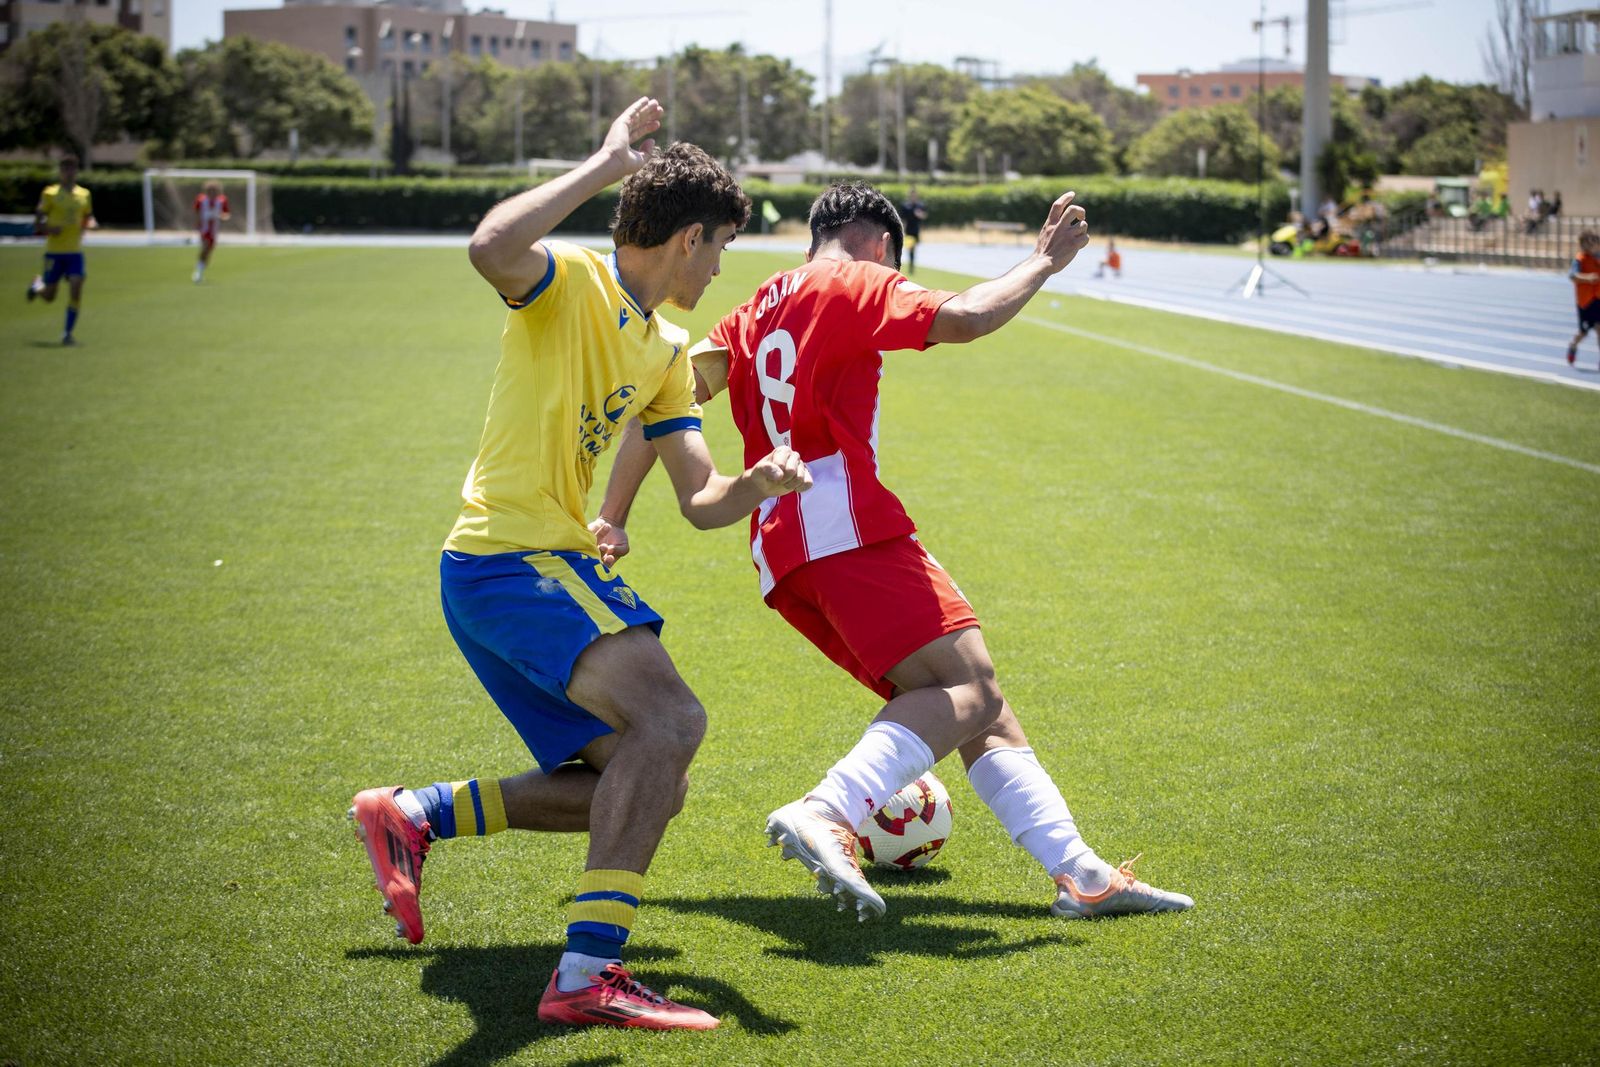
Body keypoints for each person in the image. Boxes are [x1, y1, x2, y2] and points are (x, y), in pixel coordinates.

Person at [596, 181, 1193, 925]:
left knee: (974, 702)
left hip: (783, 552)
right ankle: (830, 807)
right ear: (878, 242)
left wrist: (612, 514)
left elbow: (663, 400)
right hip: (846, 526)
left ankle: (1083, 873)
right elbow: (969, 317)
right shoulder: (856, 277)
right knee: (970, 689)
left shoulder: (753, 309)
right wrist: (1042, 261)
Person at [347, 98, 812, 1033]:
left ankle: (416, 812)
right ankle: (588, 973)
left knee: (646, 782)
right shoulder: (572, 280)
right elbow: (489, 247)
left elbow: (700, 499)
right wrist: (605, 163)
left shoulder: (670, 352)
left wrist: (754, 482)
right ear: (688, 237)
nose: (720, 266)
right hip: (509, 559)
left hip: (539, 564)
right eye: (719, 246)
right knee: (673, 718)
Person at [25, 155, 95, 346]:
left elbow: (87, 216)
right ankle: (37, 285)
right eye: (65, 169)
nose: (69, 172)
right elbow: (38, 221)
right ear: (60, 172)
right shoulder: (50, 193)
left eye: (72, 169)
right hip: (55, 252)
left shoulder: (84, 194)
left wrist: (87, 226)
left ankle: (67, 333)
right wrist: (48, 229)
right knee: (49, 296)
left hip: (74, 252)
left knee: (76, 287)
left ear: (76, 171)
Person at [1566, 229, 1600, 368]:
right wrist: (1587, 278)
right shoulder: (1580, 259)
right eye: (1587, 244)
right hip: (1586, 302)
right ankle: (1573, 345)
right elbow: (1572, 276)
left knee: (1599, 329)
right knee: (1583, 332)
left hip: (1598, 299)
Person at [192, 181, 231, 283]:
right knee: (205, 247)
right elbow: (196, 213)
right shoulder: (201, 200)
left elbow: (226, 215)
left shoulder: (222, 201)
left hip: (214, 231)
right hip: (204, 229)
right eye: (210, 190)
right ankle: (198, 272)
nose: (212, 192)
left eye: (214, 190)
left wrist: (221, 216)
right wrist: (196, 224)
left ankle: (200, 270)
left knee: (208, 251)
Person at [898, 186, 928, 275]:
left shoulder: (920, 205)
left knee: (913, 248)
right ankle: (911, 267)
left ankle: (911, 266)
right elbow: (902, 218)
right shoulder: (906, 206)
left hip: (916, 230)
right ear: (910, 196)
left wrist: (920, 215)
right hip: (908, 230)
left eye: (915, 195)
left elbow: (924, 216)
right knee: (911, 249)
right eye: (912, 195)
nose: (914, 197)